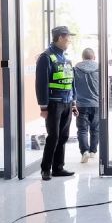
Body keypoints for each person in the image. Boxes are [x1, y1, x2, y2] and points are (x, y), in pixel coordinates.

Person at [35, 26, 79, 180]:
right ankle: (45, 169)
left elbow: (71, 82)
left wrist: (73, 103)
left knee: (63, 136)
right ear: (60, 37)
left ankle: (58, 168)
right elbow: (41, 84)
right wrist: (43, 106)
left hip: (67, 103)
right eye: (68, 38)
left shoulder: (66, 58)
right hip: (54, 104)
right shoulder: (46, 57)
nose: (69, 41)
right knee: (53, 136)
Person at [73, 48, 100, 164]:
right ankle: (93, 151)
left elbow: (72, 86)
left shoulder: (76, 69)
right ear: (94, 57)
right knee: (95, 129)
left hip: (81, 104)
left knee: (82, 129)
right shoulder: (100, 68)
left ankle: (85, 151)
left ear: (82, 57)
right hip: (97, 104)